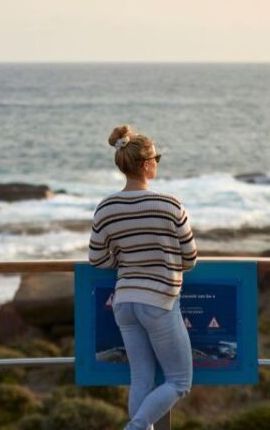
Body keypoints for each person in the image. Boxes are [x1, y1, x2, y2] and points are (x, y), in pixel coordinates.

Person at [89, 125, 198, 430]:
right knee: (179, 381)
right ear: (147, 164)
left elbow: (97, 258)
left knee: (141, 378)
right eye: (156, 158)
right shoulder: (170, 205)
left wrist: (123, 257)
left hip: (124, 302)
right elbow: (190, 258)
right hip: (159, 302)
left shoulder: (106, 207)